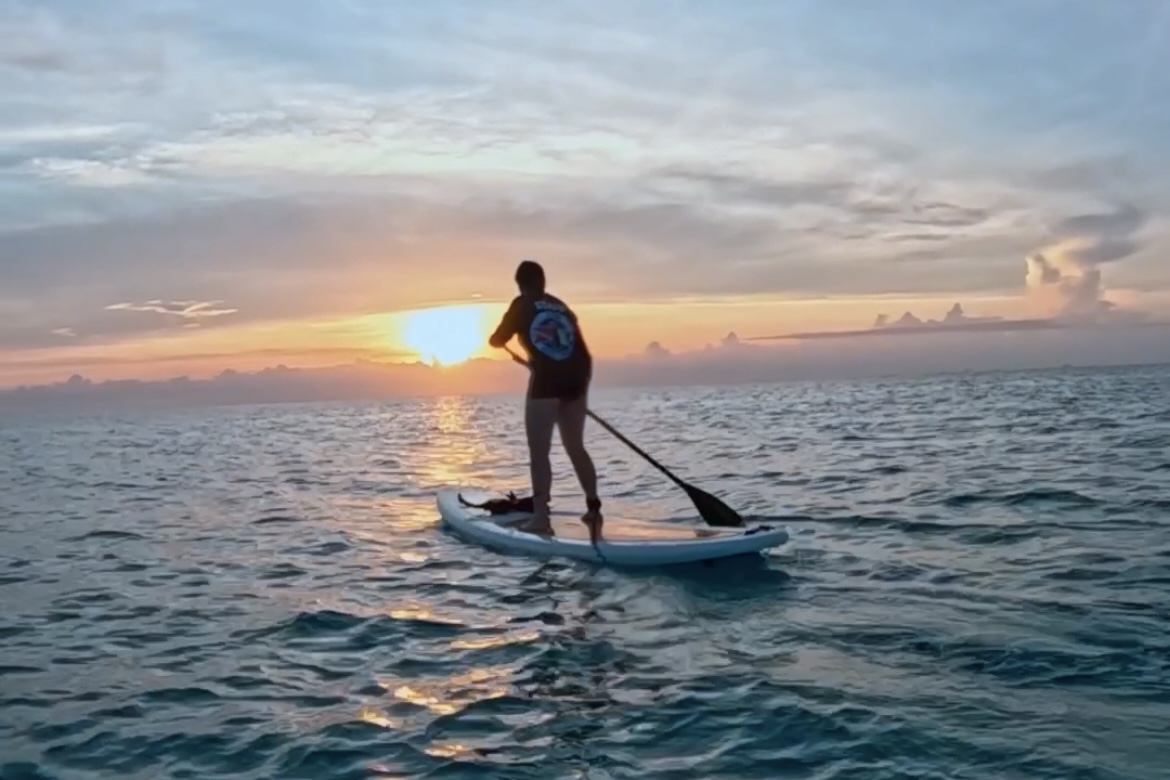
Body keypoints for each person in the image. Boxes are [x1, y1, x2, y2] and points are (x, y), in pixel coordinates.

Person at [488, 259, 603, 539]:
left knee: (539, 453)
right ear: (543, 282)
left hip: (546, 382)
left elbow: (495, 339)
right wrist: (578, 387)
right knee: (575, 446)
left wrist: (507, 342)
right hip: (578, 378)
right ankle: (594, 508)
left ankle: (541, 517)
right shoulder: (562, 306)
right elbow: (584, 353)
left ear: (520, 284)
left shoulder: (521, 304)